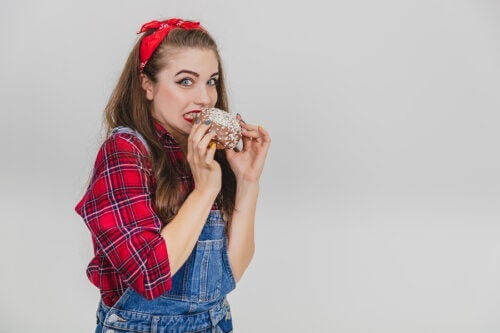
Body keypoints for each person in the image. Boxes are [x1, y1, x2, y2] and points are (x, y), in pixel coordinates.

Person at [74, 17, 271, 332]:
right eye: (185, 81)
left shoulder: (205, 154)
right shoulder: (125, 152)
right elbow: (148, 275)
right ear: (147, 85)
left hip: (214, 323)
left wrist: (248, 182)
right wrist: (204, 191)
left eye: (212, 81)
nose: (205, 98)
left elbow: (229, 273)